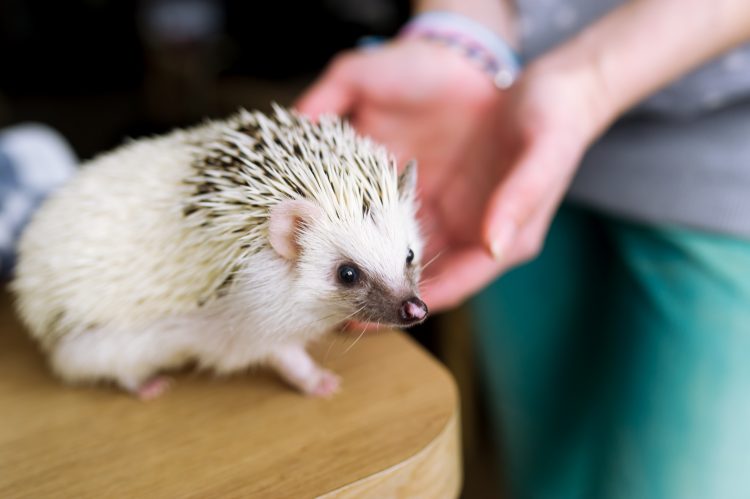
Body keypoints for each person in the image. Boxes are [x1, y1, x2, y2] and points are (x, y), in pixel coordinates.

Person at [297, 1, 750, 498]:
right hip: (492, 129)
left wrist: (592, 80)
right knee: (546, 472)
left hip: (720, 168)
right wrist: (461, 33)